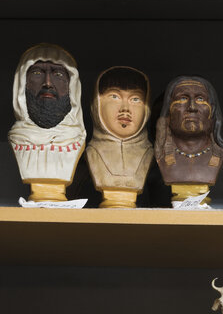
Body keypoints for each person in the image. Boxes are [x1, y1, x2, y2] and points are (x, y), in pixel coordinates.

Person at [8, 42, 86, 200]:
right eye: (37, 73)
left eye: (58, 75)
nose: (48, 83)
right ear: (22, 83)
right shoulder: (17, 139)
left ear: (72, 86)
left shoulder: (76, 138)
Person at [153, 75, 223, 206]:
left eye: (200, 99)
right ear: (168, 110)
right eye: (183, 98)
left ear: (212, 110)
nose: (192, 107)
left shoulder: (220, 153)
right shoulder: (162, 156)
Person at [85, 65, 153, 207]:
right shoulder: (90, 152)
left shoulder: (152, 154)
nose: (125, 109)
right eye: (114, 96)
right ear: (97, 103)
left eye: (135, 99)